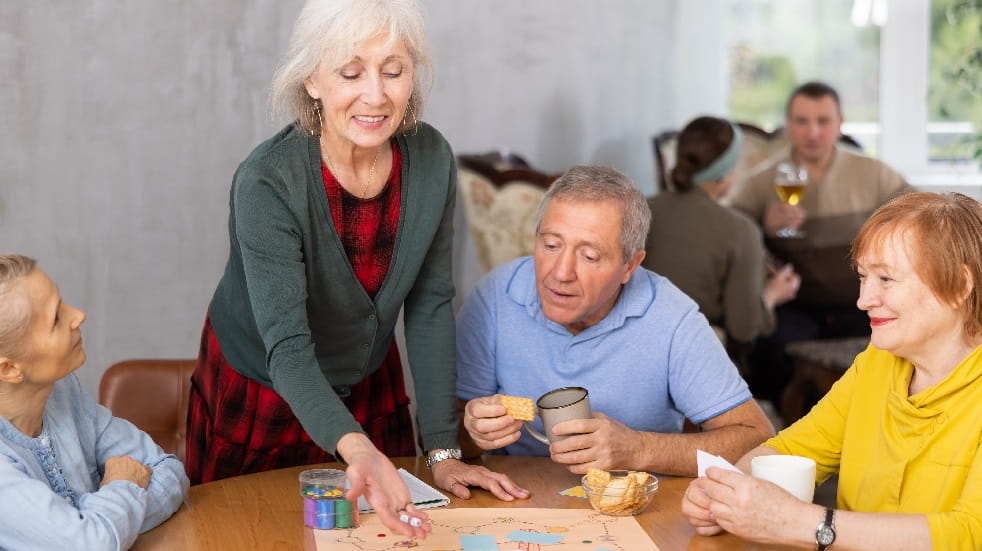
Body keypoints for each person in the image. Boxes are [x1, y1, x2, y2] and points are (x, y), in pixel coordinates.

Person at [184, 0, 525, 539]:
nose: (376, 95)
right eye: (350, 72)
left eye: (394, 71)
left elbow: (432, 304)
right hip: (267, 386)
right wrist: (359, 448)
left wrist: (441, 449)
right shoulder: (267, 183)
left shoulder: (431, 158)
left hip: (368, 379)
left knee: (381, 536)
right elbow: (290, 349)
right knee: (253, 536)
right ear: (312, 80)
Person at [682, 192, 982, 549]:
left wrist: (805, 523)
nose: (863, 300)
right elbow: (792, 449)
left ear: (959, 286)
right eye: (862, 277)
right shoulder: (877, 362)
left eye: (885, 279)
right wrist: (723, 490)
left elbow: (969, 534)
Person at [456, 166, 775, 477]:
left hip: (636, 511)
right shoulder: (495, 297)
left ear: (629, 266)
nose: (561, 273)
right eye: (551, 245)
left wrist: (639, 450)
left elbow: (756, 439)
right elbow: (440, 437)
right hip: (517, 508)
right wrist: (471, 433)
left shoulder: (670, 316)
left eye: (589, 256)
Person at [728, 81, 913, 404]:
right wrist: (761, 225)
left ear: (840, 124)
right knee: (771, 351)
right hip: (798, 306)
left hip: (861, 303)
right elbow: (727, 231)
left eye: (823, 121)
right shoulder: (761, 181)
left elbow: (920, 218)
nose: (812, 132)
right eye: (801, 121)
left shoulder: (874, 174)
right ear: (788, 125)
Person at [0, 254, 188, 550]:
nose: (78, 315)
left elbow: (169, 472)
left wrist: (94, 520)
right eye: (56, 319)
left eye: (63, 303)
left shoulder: (63, 392)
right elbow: (91, 545)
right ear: (8, 369)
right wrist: (120, 489)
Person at [645, 116, 800, 345]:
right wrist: (772, 295)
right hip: (695, 361)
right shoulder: (740, 230)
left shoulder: (638, 210)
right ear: (726, 172)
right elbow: (743, 330)